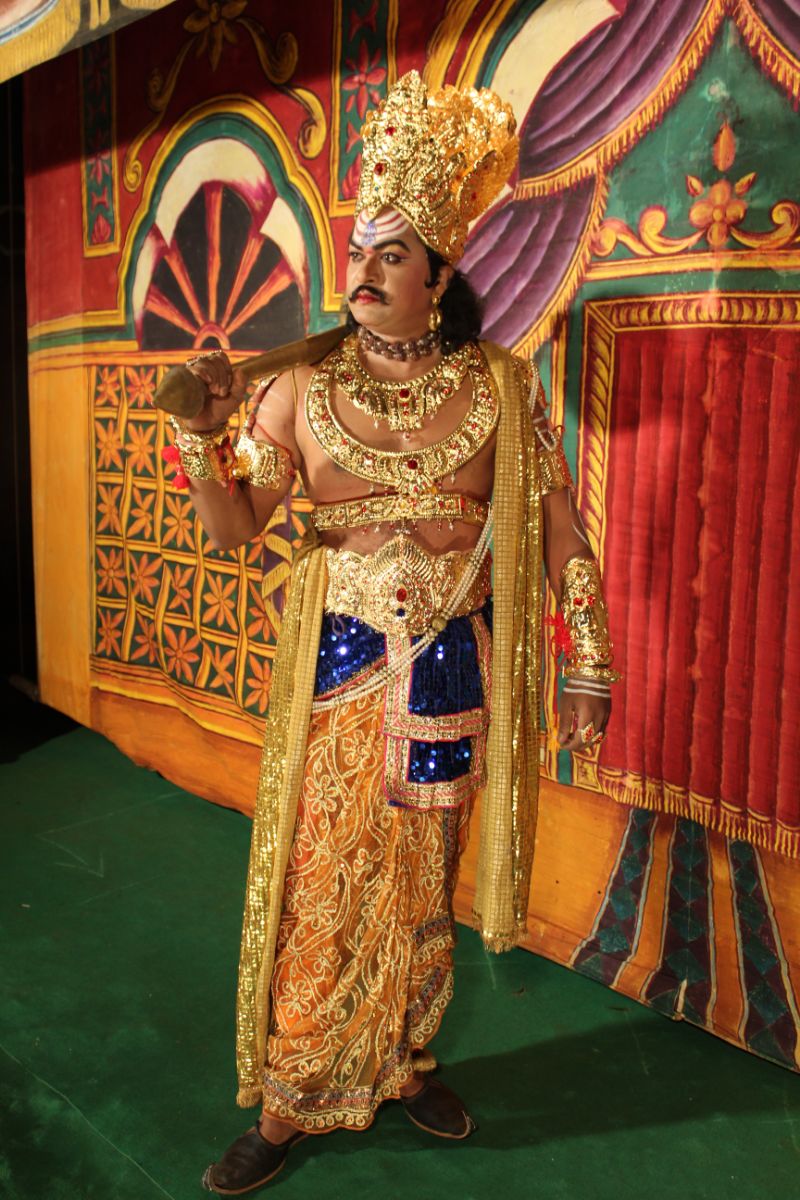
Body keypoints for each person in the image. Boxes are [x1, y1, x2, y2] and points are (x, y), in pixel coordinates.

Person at [161, 72, 619, 1196]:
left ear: (440, 278)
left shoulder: (500, 387)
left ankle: (405, 1058)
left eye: (392, 254)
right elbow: (234, 527)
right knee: (325, 879)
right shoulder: (295, 390)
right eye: (358, 251)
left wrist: (589, 663)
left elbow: (558, 524)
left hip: (454, 663)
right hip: (343, 667)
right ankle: (291, 1098)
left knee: (423, 881)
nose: (362, 271)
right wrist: (200, 438)